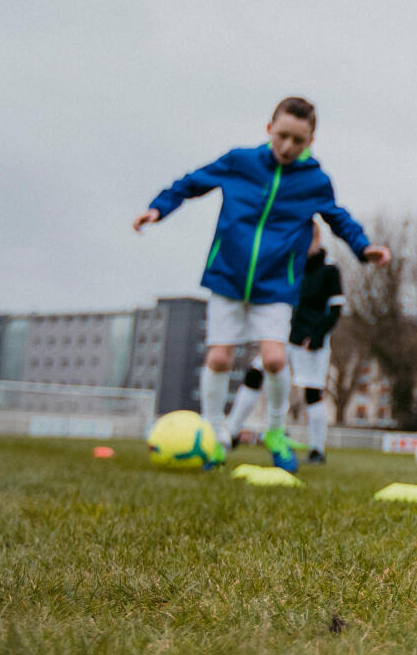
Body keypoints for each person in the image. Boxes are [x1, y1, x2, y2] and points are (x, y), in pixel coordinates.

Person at [133, 96, 389, 472]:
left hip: (275, 284)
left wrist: (364, 247)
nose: (287, 147)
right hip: (228, 276)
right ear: (269, 129)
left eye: (298, 141)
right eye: (282, 136)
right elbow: (190, 184)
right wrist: (158, 208)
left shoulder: (314, 181)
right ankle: (213, 437)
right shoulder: (240, 162)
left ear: (310, 141)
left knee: (274, 358)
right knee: (219, 357)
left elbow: (338, 218)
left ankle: (275, 433)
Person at [224, 223, 346, 463]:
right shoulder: (290, 266)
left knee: (313, 392)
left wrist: (319, 334)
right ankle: (231, 431)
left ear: (317, 239)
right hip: (283, 333)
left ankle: (317, 449)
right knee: (255, 374)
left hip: (310, 339)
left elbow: (335, 309)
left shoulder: (330, 270)